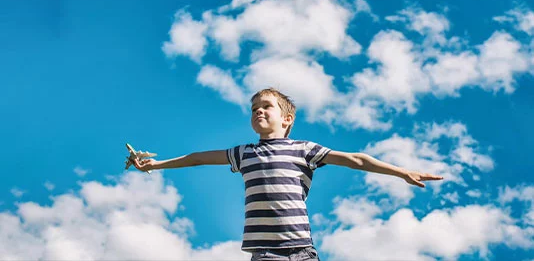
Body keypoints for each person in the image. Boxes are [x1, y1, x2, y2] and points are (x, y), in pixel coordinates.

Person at [131, 88, 444, 261]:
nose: (259, 112)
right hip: (265, 254)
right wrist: (156, 165)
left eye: (267, 106)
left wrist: (403, 172)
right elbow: (198, 158)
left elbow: (355, 160)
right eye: (254, 108)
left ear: (287, 119)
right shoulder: (244, 153)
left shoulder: (303, 149)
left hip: (303, 253)